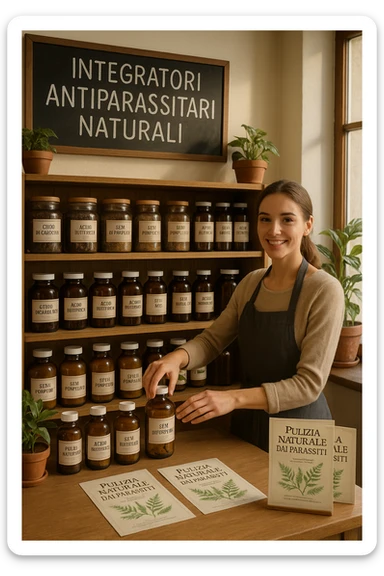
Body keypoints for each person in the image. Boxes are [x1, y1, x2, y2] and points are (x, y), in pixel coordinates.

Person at [142, 179, 345, 452]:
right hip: (248, 426)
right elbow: (213, 340)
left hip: (302, 435)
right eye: (265, 219)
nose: (274, 230)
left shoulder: (324, 290)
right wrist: (176, 358)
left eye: (287, 219)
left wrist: (232, 399)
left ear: (308, 225)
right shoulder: (251, 283)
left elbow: (308, 385)